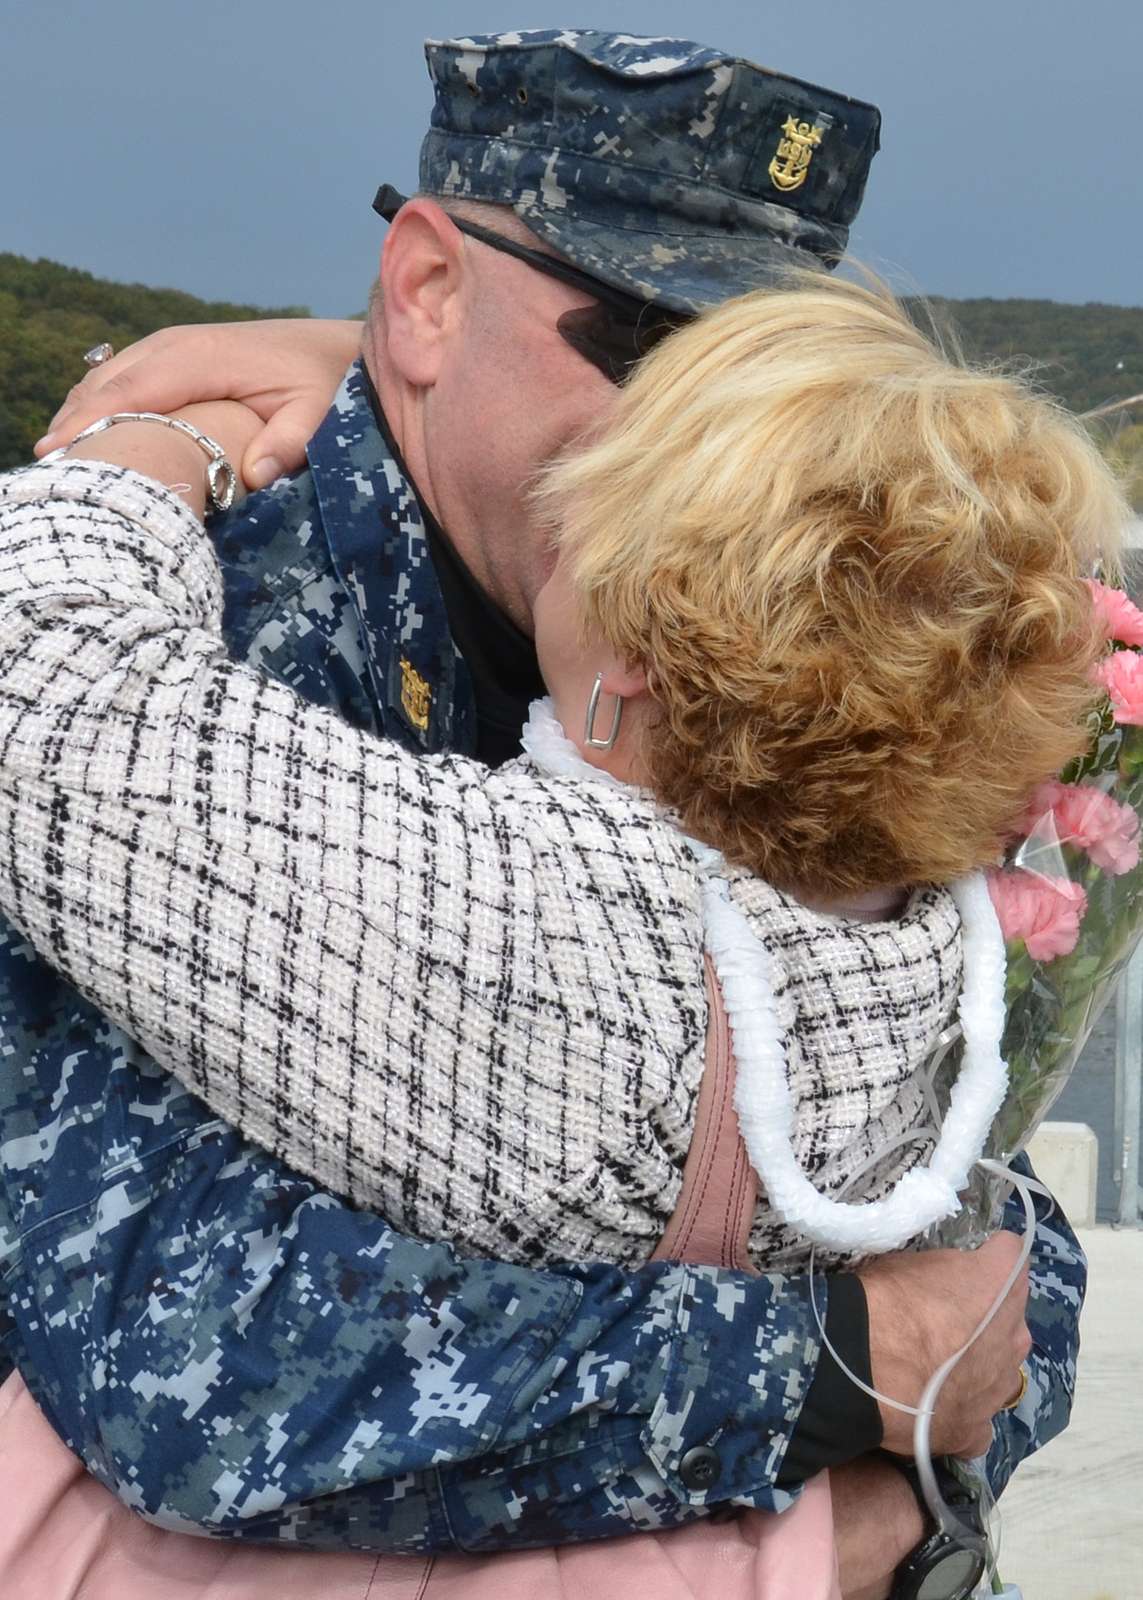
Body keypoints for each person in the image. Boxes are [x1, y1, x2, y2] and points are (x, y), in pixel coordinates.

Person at [0, 27, 1082, 1596]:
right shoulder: (219, 625)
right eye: (649, 346)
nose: (705, 437)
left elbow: (1002, 1260)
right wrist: (829, 1391)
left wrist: (930, 1447)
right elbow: (214, 1368)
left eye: (775, 379)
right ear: (429, 292)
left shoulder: (802, 618)